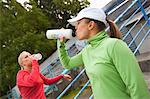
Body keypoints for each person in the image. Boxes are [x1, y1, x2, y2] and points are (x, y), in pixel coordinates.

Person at [57, 7, 150, 99]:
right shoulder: (87, 50)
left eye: (78, 23)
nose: (75, 27)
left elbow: (136, 85)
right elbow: (68, 64)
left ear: (91, 25)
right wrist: (60, 43)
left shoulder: (114, 46)